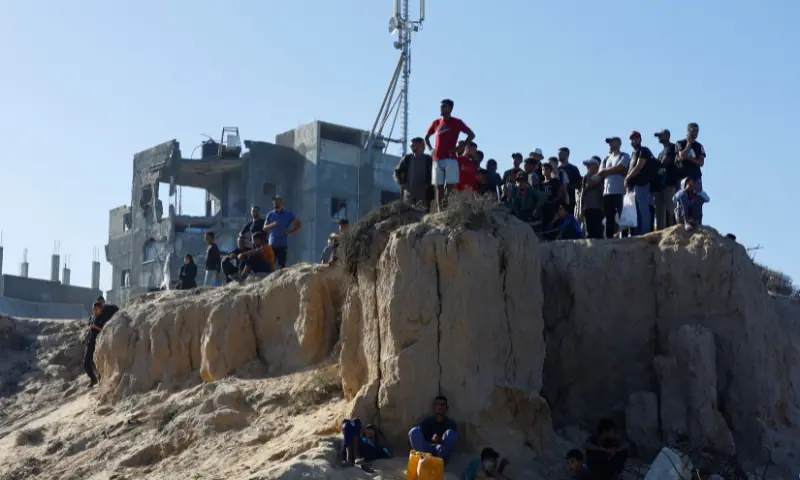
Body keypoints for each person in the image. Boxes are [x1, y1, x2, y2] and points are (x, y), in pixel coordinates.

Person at [425, 99, 475, 207]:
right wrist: (430, 149)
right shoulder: (436, 123)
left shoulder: (457, 122)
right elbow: (426, 137)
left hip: (451, 159)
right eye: (441, 107)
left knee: (450, 186)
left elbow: (471, 134)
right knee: (439, 186)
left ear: (450, 109)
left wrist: (461, 146)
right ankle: (440, 209)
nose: (442, 109)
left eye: (444, 107)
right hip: (437, 159)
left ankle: (449, 208)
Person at [597, 137, 631, 239]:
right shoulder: (606, 158)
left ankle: (624, 237)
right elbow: (600, 172)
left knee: (622, 216)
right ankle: (609, 238)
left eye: (612, 142)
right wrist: (616, 170)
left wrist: (607, 171)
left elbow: (622, 167)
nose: (610, 144)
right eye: (609, 142)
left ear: (619, 143)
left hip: (620, 191)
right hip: (607, 192)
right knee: (609, 217)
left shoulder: (624, 155)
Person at [624, 131, 657, 236]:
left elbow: (639, 166)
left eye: (636, 138)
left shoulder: (644, 150)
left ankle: (645, 232)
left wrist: (627, 178)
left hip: (643, 184)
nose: (634, 140)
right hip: (634, 186)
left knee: (643, 210)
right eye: (632, 139)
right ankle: (638, 233)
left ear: (640, 139)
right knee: (636, 211)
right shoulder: (633, 154)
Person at [408, 396, 458, 462]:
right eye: (437, 404)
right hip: (426, 450)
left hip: (441, 451)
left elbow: (449, 442)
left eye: (442, 405)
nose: (439, 407)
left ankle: (439, 461)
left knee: (451, 434)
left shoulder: (450, 424)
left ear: (447, 408)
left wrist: (439, 439)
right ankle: (424, 459)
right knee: (413, 431)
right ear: (433, 407)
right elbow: (417, 437)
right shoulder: (427, 422)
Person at [395, 137, 434, 211]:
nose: (412, 147)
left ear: (422, 147)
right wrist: (401, 182)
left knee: (422, 213)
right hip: (408, 193)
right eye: (412, 145)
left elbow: (434, 174)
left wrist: (428, 184)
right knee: (407, 213)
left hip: (424, 194)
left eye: (414, 145)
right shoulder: (407, 159)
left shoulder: (429, 159)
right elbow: (397, 171)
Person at [263, 195, 301, 269]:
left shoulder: (288, 214)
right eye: (274, 202)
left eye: (277, 201)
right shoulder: (270, 214)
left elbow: (298, 225)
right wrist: (273, 224)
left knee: (281, 267)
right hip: (272, 245)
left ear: (282, 203)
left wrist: (290, 233)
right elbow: (264, 228)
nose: (275, 203)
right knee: (270, 266)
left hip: (282, 245)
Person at [83, 301, 114, 388]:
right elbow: (90, 329)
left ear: (100, 309)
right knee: (86, 363)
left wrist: (96, 327)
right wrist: (86, 337)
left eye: (96, 309)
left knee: (99, 363)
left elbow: (105, 330)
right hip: (90, 342)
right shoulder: (92, 317)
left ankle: (101, 383)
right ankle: (93, 379)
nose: (95, 311)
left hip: (99, 343)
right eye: (94, 309)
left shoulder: (103, 318)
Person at [652, 129, 678, 230]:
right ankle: (661, 232)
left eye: (661, 135)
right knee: (660, 212)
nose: (659, 137)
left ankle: (674, 229)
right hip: (660, 185)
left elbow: (664, 162)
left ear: (668, 135)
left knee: (671, 209)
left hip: (670, 183)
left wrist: (654, 166)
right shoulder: (661, 153)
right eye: (658, 136)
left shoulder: (673, 147)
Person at [578, 157, 605, 239]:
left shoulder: (601, 176)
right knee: (589, 231)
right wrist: (580, 209)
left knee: (598, 230)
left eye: (589, 165)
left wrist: (589, 176)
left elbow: (590, 184)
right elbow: (582, 193)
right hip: (588, 208)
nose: (587, 167)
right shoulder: (585, 178)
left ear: (596, 166)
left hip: (598, 208)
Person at [558, 147, 583, 214]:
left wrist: (567, 185)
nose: (559, 155)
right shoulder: (557, 170)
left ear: (567, 155)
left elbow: (579, 185)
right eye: (558, 154)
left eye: (561, 154)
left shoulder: (573, 169)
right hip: (559, 202)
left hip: (570, 202)